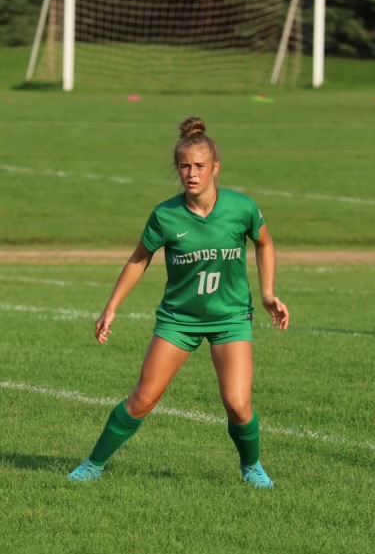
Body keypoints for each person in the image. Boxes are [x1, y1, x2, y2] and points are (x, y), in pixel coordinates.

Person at [68, 116, 289, 488]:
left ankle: (251, 467)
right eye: (185, 166)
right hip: (178, 320)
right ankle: (93, 464)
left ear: (215, 167)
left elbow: (264, 243)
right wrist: (111, 307)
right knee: (142, 399)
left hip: (230, 318)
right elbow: (139, 259)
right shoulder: (165, 215)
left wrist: (267, 293)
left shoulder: (242, 208)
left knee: (237, 404)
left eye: (200, 166)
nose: (192, 173)